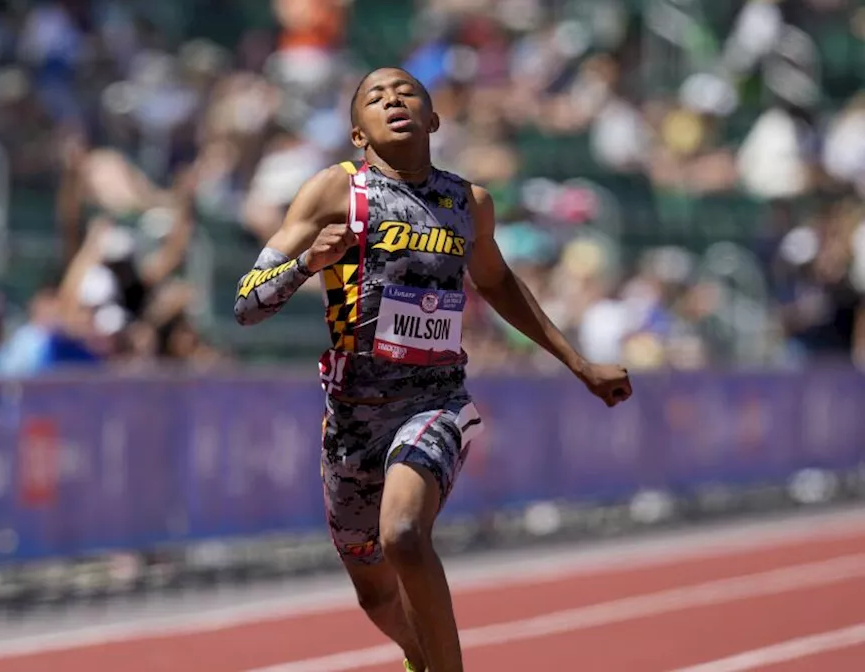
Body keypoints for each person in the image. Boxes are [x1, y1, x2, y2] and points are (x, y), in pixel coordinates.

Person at [233, 67, 632, 672]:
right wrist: (307, 264)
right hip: (351, 420)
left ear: (435, 118)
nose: (393, 100)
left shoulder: (469, 203)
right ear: (357, 134)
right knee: (372, 586)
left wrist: (579, 364)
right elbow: (245, 305)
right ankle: (420, 657)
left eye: (407, 93)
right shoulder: (333, 192)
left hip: (434, 403)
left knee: (403, 535)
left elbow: (498, 283)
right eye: (375, 97)